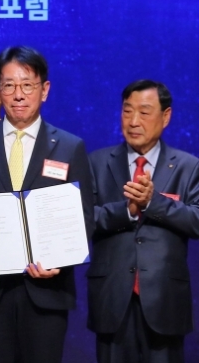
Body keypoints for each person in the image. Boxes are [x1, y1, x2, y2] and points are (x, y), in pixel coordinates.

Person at [0, 46, 94, 363]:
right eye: (9, 85)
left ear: (45, 90)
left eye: (28, 85)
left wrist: (61, 261)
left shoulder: (69, 146)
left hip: (47, 292)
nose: (18, 95)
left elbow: (84, 218)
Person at [87, 80, 199, 363]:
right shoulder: (96, 162)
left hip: (165, 300)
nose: (133, 121)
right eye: (127, 111)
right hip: (112, 299)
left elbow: (196, 220)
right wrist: (126, 211)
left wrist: (153, 203)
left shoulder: (188, 166)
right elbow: (83, 219)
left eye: (144, 112)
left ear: (166, 116)